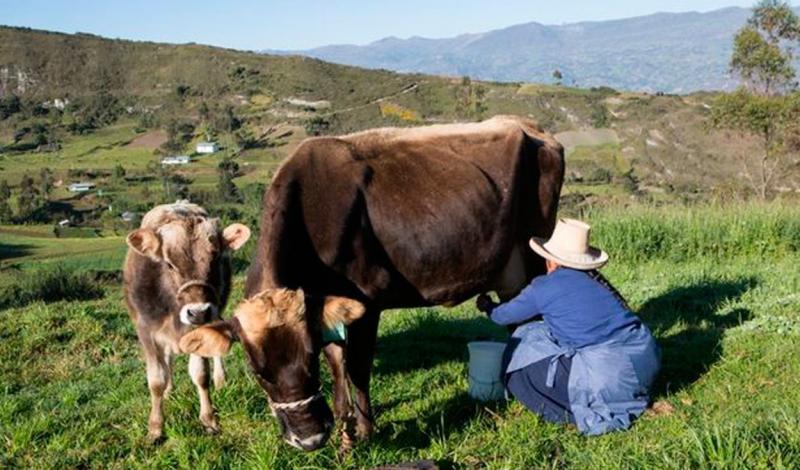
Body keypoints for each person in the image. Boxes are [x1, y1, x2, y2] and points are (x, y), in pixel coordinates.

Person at [476, 218, 660, 435]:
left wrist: (488, 306)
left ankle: (571, 410)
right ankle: (625, 393)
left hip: (610, 375)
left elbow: (503, 317)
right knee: (540, 332)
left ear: (550, 261)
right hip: (647, 361)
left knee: (519, 362)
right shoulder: (598, 281)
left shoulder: (543, 286)